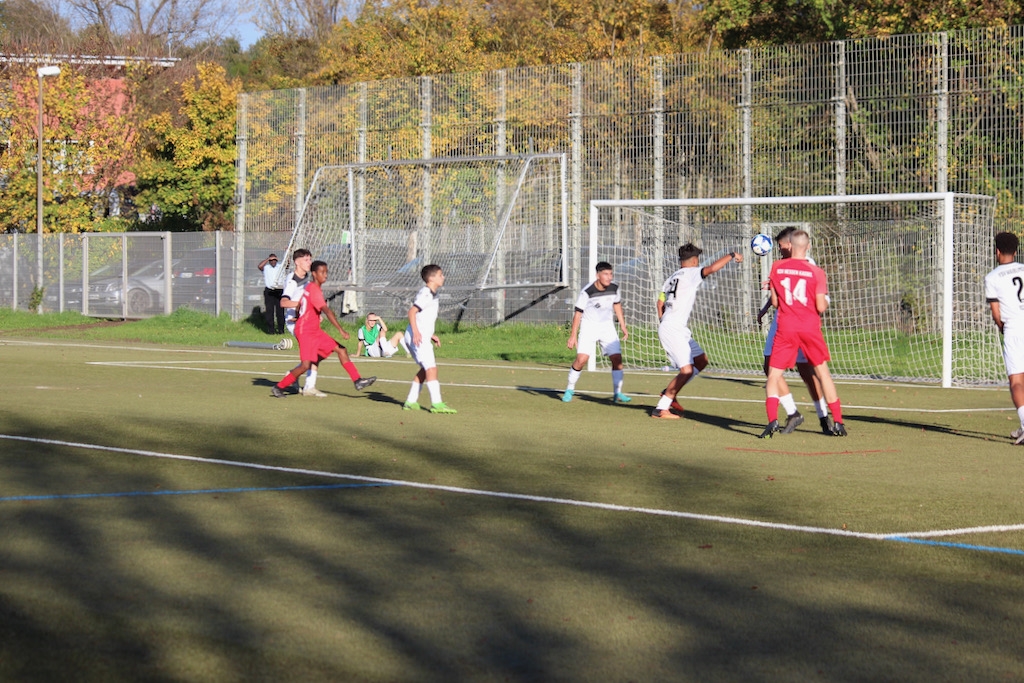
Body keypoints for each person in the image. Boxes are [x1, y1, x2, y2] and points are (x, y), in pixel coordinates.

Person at [760, 230, 846, 438]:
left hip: (786, 326)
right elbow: (820, 305)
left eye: (781, 245)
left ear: (790, 245)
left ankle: (773, 420)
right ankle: (837, 421)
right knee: (822, 373)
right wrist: (823, 300)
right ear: (807, 246)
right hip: (809, 327)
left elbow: (776, 302)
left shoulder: (777, 267)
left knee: (775, 374)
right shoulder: (816, 271)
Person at [650, 244, 743, 419]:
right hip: (673, 328)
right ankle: (661, 409)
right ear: (694, 261)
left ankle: (671, 391)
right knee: (686, 370)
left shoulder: (671, 277)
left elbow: (660, 303)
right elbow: (712, 269)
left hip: (675, 327)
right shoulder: (692, 272)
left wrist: (663, 321)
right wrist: (731, 255)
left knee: (701, 360)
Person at [270, 261, 376, 398]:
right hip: (305, 332)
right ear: (314, 274)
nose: (325, 275)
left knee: (341, 350)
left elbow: (300, 304)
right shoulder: (314, 290)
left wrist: (299, 315)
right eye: (322, 272)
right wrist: (340, 330)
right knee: (305, 365)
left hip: (314, 331)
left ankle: (357, 381)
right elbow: (327, 311)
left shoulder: (310, 287)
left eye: (326, 272)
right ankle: (279, 387)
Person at [562, 261, 631, 404]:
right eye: (605, 274)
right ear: (597, 275)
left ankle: (617, 393)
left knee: (617, 359)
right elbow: (578, 314)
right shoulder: (587, 291)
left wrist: (623, 325)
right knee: (581, 360)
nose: (609, 277)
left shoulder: (614, 287)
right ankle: (569, 388)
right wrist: (573, 335)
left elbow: (617, 305)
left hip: (607, 327)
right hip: (589, 327)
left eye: (611, 274)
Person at [984, 231, 1024, 445]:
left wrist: (1002, 328)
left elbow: (996, 313)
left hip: (1014, 329)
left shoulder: (992, 277)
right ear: (1016, 251)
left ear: (997, 251)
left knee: (1016, 381)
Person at [402, 265, 456, 413]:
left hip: (420, 335)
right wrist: (416, 332)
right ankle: (437, 404)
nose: (443, 277)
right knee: (431, 368)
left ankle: (410, 401)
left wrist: (430, 334)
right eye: (440, 275)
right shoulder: (426, 294)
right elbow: (412, 312)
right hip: (417, 337)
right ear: (431, 278)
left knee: (426, 369)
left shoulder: (432, 294)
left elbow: (423, 317)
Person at [279, 248, 324, 397]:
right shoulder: (292, 281)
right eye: (306, 260)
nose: (309, 262)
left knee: (315, 353)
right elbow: (284, 302)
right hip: (295, 323)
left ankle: (294, 376)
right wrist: (301, 306)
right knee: (314, 352)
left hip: (306, 322)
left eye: (310, 259)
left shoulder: (307, 279)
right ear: (297, 262)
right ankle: (308, 387)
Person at [259, 253, 286, 335]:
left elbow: (287, 264)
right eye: (271, 260)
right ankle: (271, 330)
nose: (273, 261)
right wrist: (268, 259)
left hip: (279, 290)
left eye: (274, 260)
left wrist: (287, 252)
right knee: (269, 311)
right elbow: (260, 266)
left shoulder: (280, 267)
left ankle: (281, 330)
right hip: (269, 291)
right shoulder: (266, 268)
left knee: (280, 312)